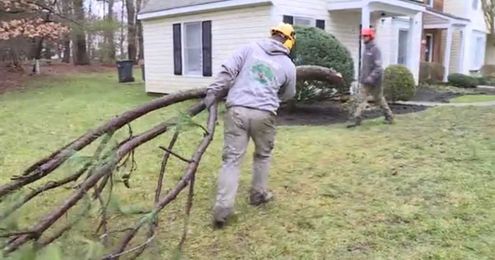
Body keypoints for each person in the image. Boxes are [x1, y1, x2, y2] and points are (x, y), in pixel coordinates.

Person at [203, 23, 297, 227]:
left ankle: (222, 209)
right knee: (262, 155)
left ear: (272, 35)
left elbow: (228, 71)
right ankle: (258, 195)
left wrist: (213, 92)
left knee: (232, 161)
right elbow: (289, 94)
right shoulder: (288, 65)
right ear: (289, 41)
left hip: (237, 110)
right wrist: (273, 96)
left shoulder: (248, 49)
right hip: (265, 115)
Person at [347, 28, 394, 128]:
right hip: (365, 80)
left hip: (376, 80)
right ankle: (356, 119)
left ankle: (389, 116)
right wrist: (362, 77)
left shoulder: (375, 49)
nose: (363, 38)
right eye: (363, 36)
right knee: (361, 99)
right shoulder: (366, 49)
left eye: (365, 36)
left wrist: (371, 77)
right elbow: (365, 67)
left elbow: (379, 67)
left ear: (370, 37)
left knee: (379, 99)